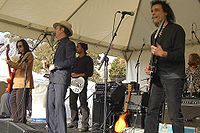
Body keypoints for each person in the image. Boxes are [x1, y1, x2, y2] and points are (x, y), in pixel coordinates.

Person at [144, 1, 185, 133]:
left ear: (165, 12)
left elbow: (179, 54)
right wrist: (150, 66)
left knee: (174, 114)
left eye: (156, 10)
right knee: (151, 111)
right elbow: (155, 55)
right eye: (152, 11)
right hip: (157, 77)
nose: (153, 14)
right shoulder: (154, 34)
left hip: (173, 76)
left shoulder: (177, 29)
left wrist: (163, 53)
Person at [46, 20, 76, 133]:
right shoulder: (59, 44)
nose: (54, 31)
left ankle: (61, 131)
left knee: (58, 105)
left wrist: (56, 65)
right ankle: (52, 130)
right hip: (54, 78)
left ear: (62, 29)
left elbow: (72, 61)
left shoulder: (69, 44)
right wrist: (50, 66)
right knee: (50, 105)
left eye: (56, 29)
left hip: (61, 78)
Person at [67, 42, 93, 132]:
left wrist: (78, 75)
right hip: (73, 83)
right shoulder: (75, 59)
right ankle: (74, 122)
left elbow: (90, 73)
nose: (76, 48)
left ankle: (85, 124)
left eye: (78, 47)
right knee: (72, 102)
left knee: (83, 103)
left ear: (83, 48)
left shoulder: (88, 59)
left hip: (82, 83)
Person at [7, 39, 34, 123]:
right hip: (16, 83)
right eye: (17, 47)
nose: (19, 48)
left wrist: (12, 63)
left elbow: (23, 66)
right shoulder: (21, 57)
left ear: (25, 46)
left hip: (23, 83)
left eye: (20, 46)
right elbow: (15, 66)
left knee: (20, 104)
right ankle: (16, 120)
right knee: (12, 101)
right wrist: (7, 53)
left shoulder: (29, 55)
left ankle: (21, 121)